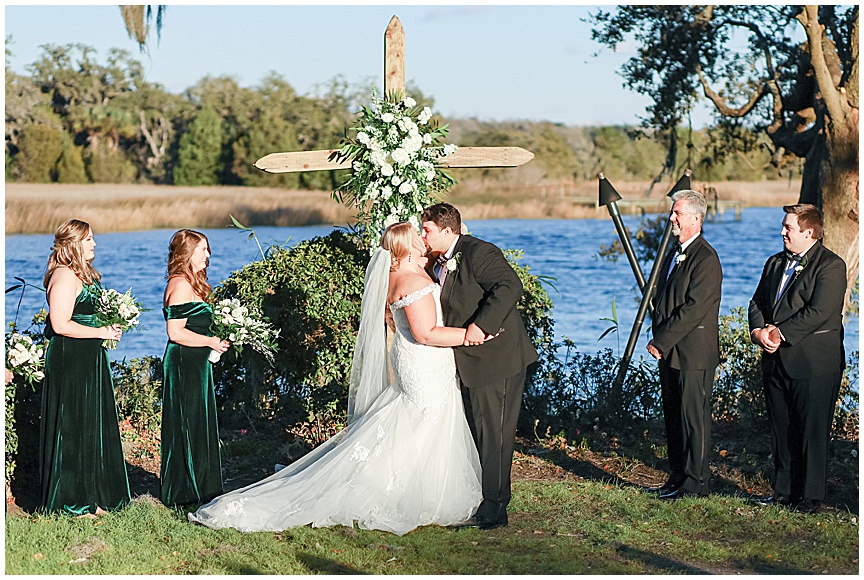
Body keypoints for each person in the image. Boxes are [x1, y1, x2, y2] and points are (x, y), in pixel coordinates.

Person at [189, 222, 483, 535]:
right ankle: (413, 491)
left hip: (413, 358)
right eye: (417, 236)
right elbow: (425, 333)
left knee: (414, 418)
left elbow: (397, 320)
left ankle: (416, 485)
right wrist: (471, 335)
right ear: (405, 247)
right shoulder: (412, 281)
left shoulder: (397, 276)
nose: (423, 239)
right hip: (424, 360)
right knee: (425, 417)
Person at [420, 203, 539, 530]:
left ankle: (495, 510)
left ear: (447, 230)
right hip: (468, 361)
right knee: (475, 433)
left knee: (495, 436)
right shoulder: (437, 261)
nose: (422, 235)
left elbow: (510, 286)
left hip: (497, 357)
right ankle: (476, 499)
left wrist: (481, 326)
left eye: (427, 229)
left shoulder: (478, 252)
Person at [748, 204, 846, 514]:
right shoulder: (774, 263)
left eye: (788, 227)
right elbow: (757, 301)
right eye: (784, 226)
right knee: (782, 428)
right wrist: (758, 332)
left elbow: (820, 312)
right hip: (775, 360)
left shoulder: (831, 266)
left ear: (809, 232)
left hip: (815, 362)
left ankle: (810, 497)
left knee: (811, 430)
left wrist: (779, 334)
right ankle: (783, 492)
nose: (782, 232)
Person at [40, 219, 130, 514]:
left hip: (89, 358)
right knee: (74, 427)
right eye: (89, 239)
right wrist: (100, 332)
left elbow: (86, 316)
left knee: (91, 426)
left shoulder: (85, 275)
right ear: (74, 243)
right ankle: (72, 501)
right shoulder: (64, 276)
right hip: (70, 359)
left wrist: (109, 325)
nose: (95, 244)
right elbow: (60, 324)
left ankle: (93, 497)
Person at [646, 190, 722, 500]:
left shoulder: (706, 258)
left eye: (677, 213)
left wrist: (661, 341)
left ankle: (696, 483)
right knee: (674, 417)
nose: (671, 218)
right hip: (672, 351)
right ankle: (677, 477)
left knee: (694, 420)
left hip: (694, 352)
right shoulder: (674, 254)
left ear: (696, 218)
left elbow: (693, 308)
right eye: (673, 212)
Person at [159, 229, 231, 506]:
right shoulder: (179, 285)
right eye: (203, 251)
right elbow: (175, 333)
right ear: (187, 254)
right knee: (186, 423)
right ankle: (183, 490)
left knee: (199, 422)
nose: (208, 256)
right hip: (182, 363)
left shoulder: (193, 283)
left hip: (196, 363)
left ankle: (202, 486)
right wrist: (211, 340)